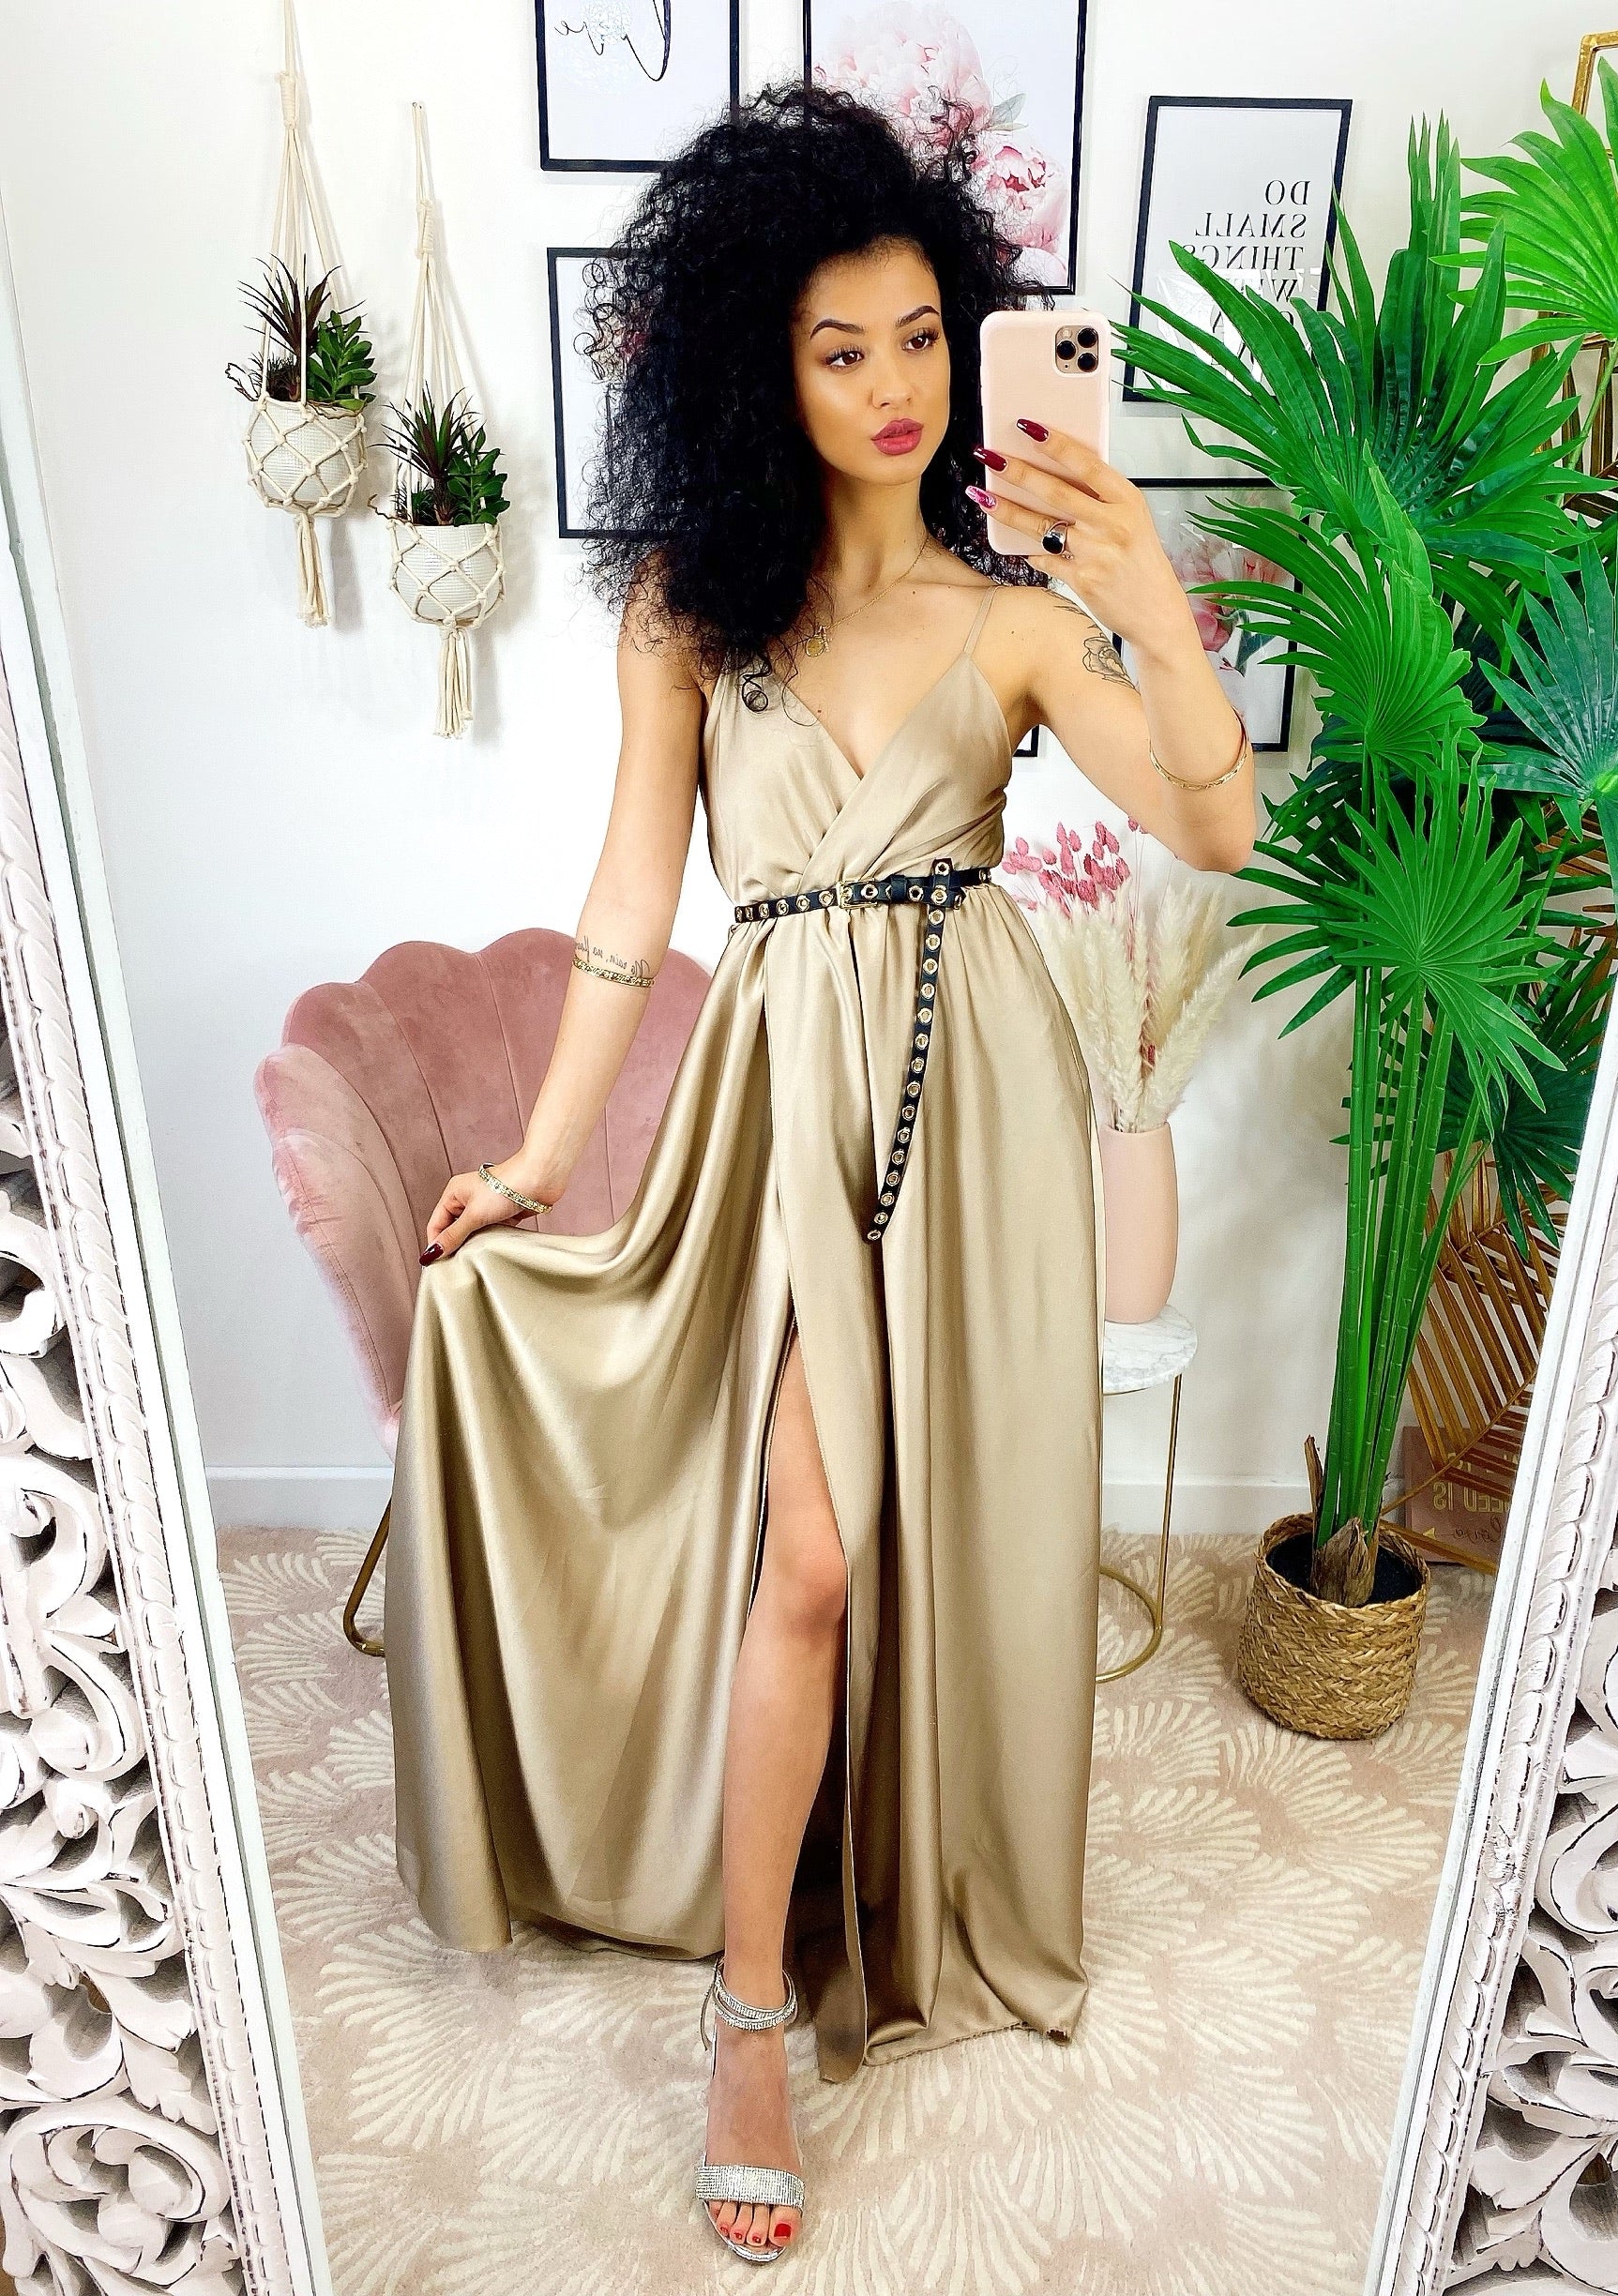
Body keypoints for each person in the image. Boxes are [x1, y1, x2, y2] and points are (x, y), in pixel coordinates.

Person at [384, 79, 1256, 2268]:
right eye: (837, 347)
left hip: (976, 1101)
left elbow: (1214, 825)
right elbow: (628, 898)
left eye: (921, 338)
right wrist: (539, 1151)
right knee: (808, 1552)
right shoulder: (693, 606)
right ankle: (754, 2011)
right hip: (782, 1097)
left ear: (967, 335)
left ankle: (879, 1887)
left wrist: (1146, 588)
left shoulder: (1019, 610)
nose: (891, 386)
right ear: (757, 367)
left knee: (925, 1522)